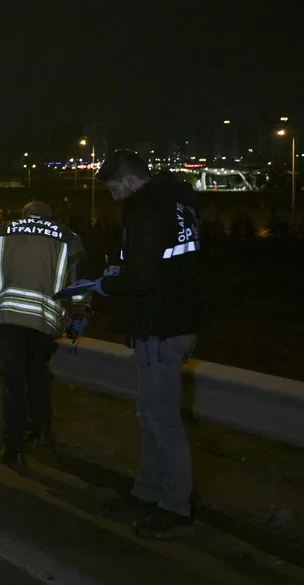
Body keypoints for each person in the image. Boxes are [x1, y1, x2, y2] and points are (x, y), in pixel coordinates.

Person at [94, 149, 204, 537]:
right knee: (152, 415)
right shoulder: (180, 201)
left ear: (126, 182)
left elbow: (140, 276)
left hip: (159, 327)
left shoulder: (142, 209)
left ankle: (174, 506)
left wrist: (106, 283)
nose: (113, 198)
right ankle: (147, 493)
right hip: (179, 321)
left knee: (160, 419)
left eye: (112, 190)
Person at [0, 201, 89, 468]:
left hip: (8, 318)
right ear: (50, 217)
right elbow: (80, 278)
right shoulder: (68, 236)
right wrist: (79, 312)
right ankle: (42, 431)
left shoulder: (2, 231)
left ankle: (14, 448)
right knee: (38, 373)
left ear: (24, 215)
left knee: (13, 380)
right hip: (46, 321)